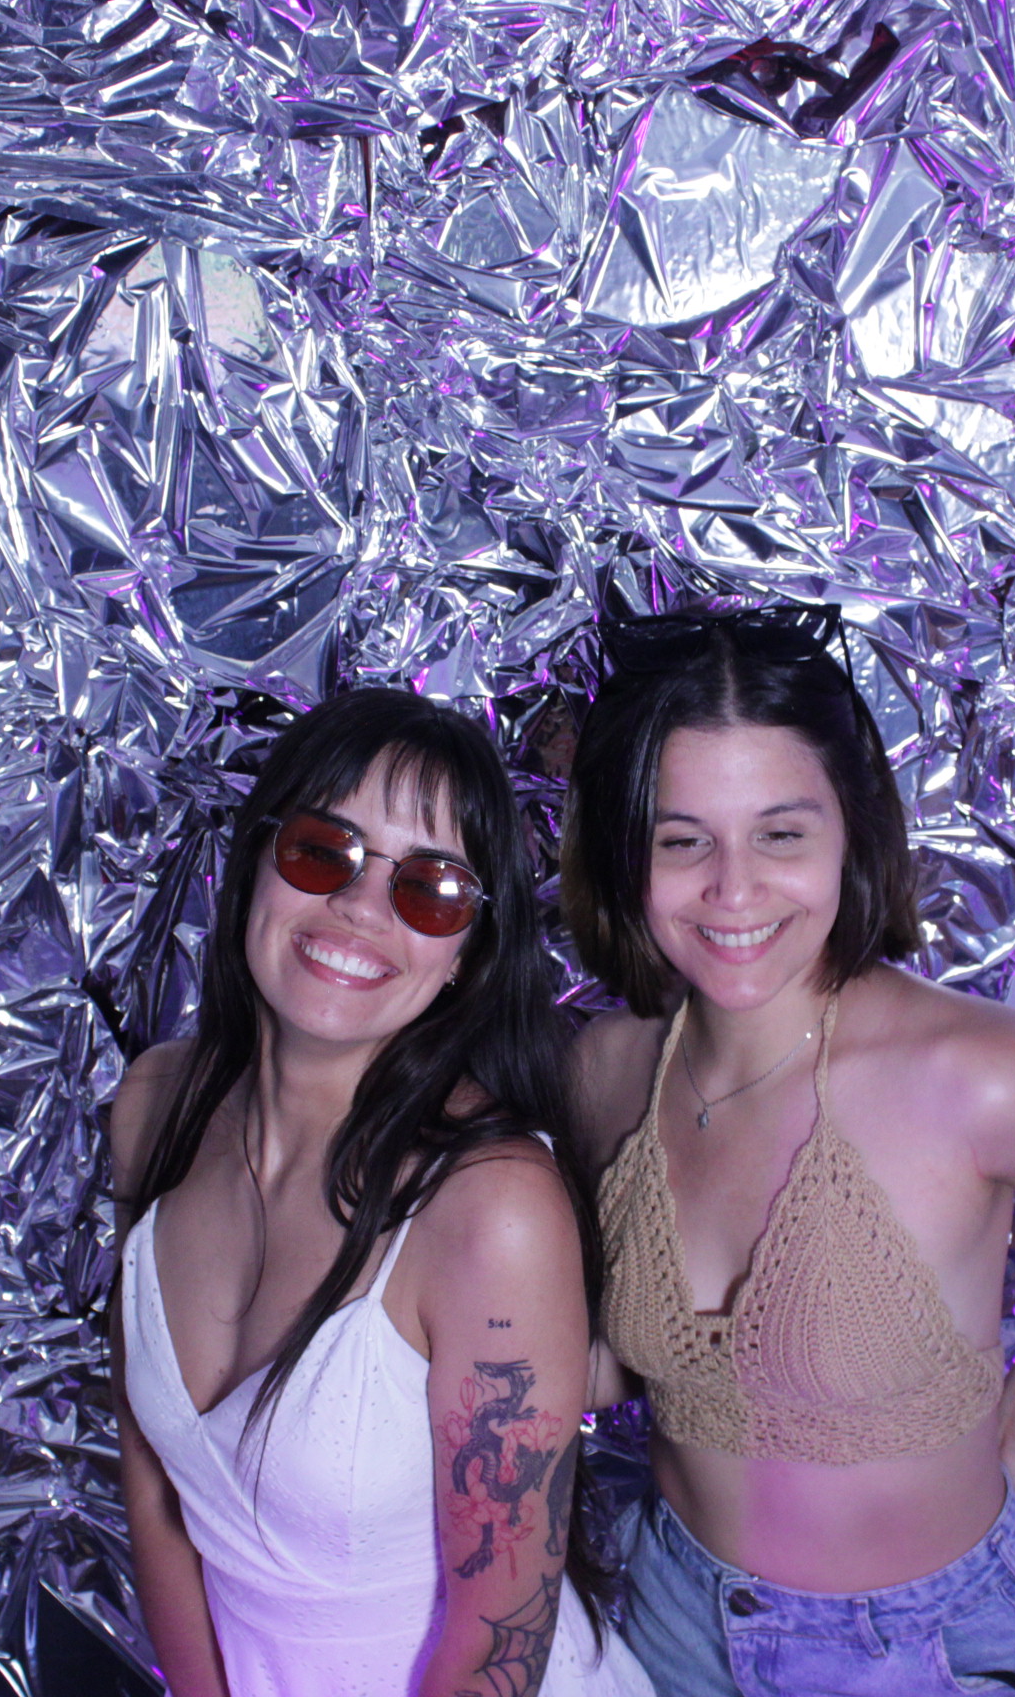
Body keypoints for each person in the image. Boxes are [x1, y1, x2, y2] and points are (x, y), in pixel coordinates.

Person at [561, 605, 1015, 1697]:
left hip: (919, 1652)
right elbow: (657, 1361)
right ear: (625, 853)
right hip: (670, 1618)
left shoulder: (964, 1077)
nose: (733, 890)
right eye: (683, 841)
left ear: (851, 831)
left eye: (781, 834)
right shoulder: (609, 1074)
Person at [107, 687, 655, 1697]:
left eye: (431, 889)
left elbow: (498, 1643)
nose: (360, 908)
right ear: (257, 861)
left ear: (465, 954)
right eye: (325, 850)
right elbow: (156, 1493)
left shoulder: (491, 1210)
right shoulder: (153, 1110)